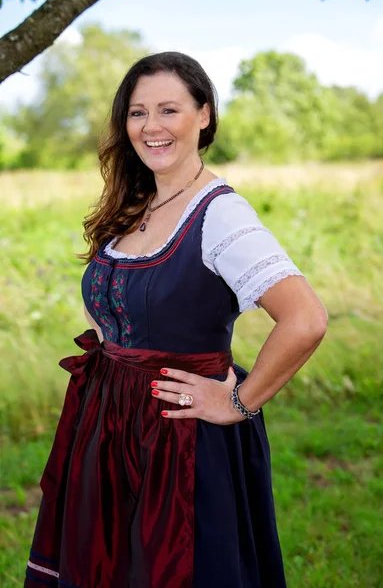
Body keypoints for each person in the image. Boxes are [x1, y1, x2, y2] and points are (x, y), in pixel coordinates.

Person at [24, 51, 328, 588]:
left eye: (169, 109)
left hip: (178, 438)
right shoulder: (137, 203)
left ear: (204, 114)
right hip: (111, 424)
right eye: (137, 113)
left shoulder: (221, 213)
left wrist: (238, 401)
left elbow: (305, 319)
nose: (151, 127)